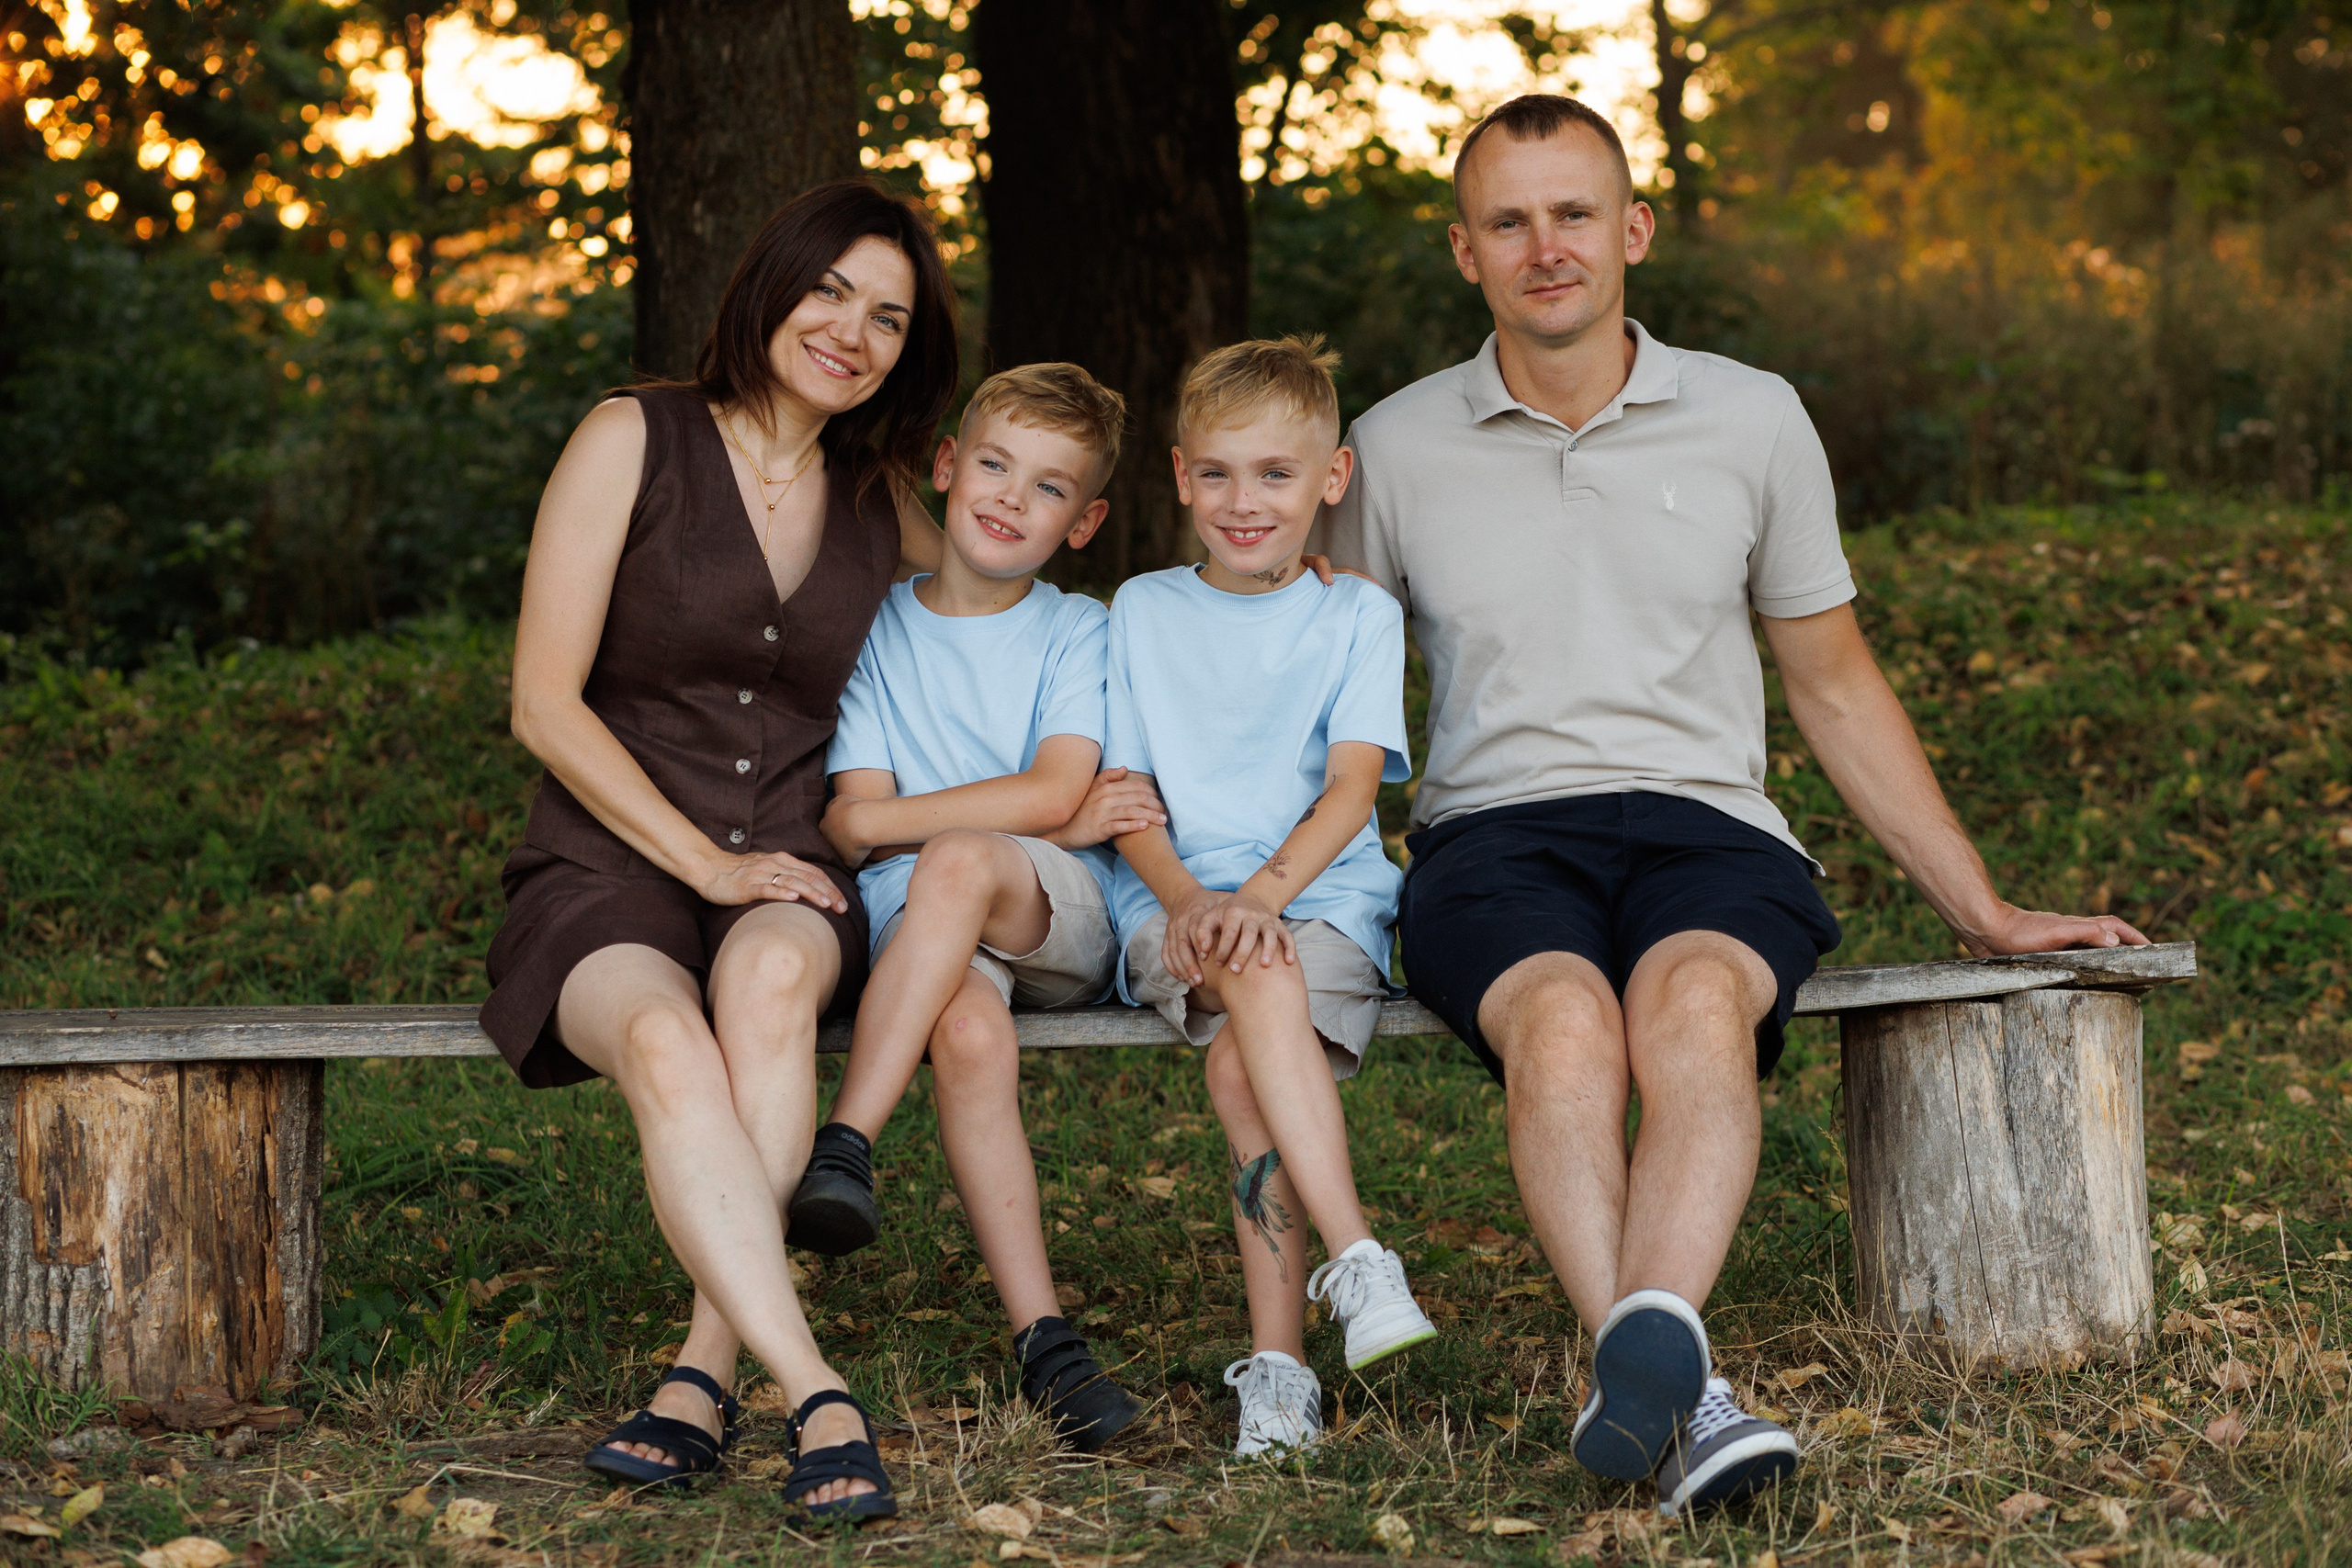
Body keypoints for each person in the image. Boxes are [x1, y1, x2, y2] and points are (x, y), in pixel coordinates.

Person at [1321, 95, 2150, 1516]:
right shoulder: (1391, 447)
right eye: (1509, 222)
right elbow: (1313, 691)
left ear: (1632, 228)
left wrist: (1985, 906)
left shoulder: (1753, 415)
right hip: (1492, 835)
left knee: (1695, 1003)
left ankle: (1638, 1371)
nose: (1547, 248)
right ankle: (1680, 1386)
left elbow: (1831, 684)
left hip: (1715, 827)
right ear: (1464, 253)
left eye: (1574, 213)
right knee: (1566, 1021)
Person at [481, 177, 962, 1522]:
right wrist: (695, 860)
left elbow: (1002, 601)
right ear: (771, 286)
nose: (849, 332)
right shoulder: (633, 435)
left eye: (886, 317)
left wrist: (1254, 586)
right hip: (604, 866)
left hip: (793, 869)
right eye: (828, 293)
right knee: (662, 1037)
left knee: (762, 987)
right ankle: (815, 1385)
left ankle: (699, 1372)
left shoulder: (883, 498)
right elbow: (541, 700)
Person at [777, 362, 1155, 1451]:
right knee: (969, 1031)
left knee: (951, 863)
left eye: (1046, 488)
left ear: (1081, 523)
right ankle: (1047, 1340)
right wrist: (1031, 814)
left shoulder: (1073, 630)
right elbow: (851, 826)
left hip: (1055, 909)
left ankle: (844, 1138)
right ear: (946, 467)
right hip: (921, 923)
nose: (1006, 496)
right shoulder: (875, 631)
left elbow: (1045, 791)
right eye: (992, 464)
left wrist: (1012, 827)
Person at [1105, 336, 1441, 1460]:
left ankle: (1284, 1372)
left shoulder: (1355, 615)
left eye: (1276, 475)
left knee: (1236, 1056)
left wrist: (1258, 897)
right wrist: (1193, 896)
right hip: (1175, 905)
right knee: (1248, 975)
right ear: (1179, 471)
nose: (1243, 502)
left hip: (1323, 899)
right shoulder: (1142, 611)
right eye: (1216, 474)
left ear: (1330, 479)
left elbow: (1354, 786)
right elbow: (1129, 797)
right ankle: (1357, 1260)